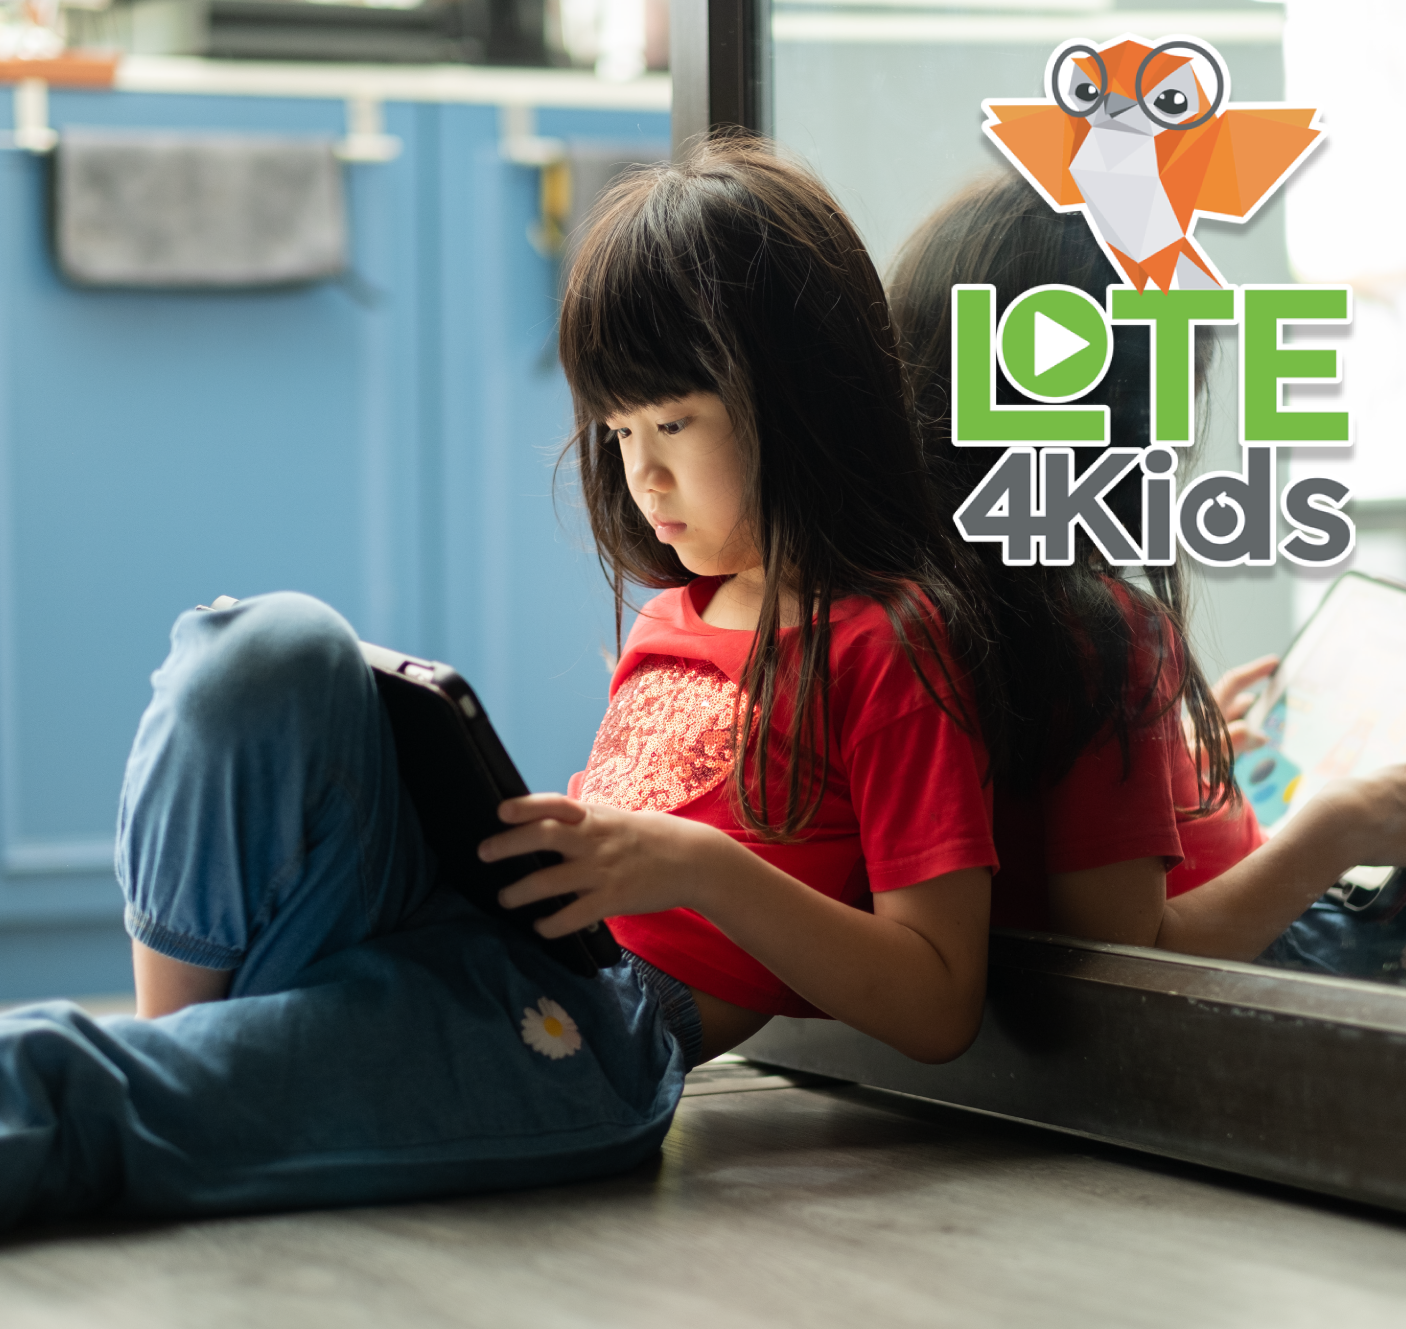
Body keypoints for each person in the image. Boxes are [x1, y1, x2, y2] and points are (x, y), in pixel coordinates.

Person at [0, 140, 1000, 1230]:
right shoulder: (681, 611)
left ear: (800, 401)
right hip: (475, 944)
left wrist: (695, 868)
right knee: (261, 647)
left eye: (672, 423)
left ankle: (180, 1083)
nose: (642, 473)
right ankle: (189, 1051)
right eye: (619, 431)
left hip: (584, 1040)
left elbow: (936, 997)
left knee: (68, 1081)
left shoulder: (886, 643)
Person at [886, 170, 1406, 978]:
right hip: (1259, 976)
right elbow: (1130, 961)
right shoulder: (1096, 634)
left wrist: (1167, 762)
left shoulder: (920, 603)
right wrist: (1338, 826)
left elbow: (1048, 818)